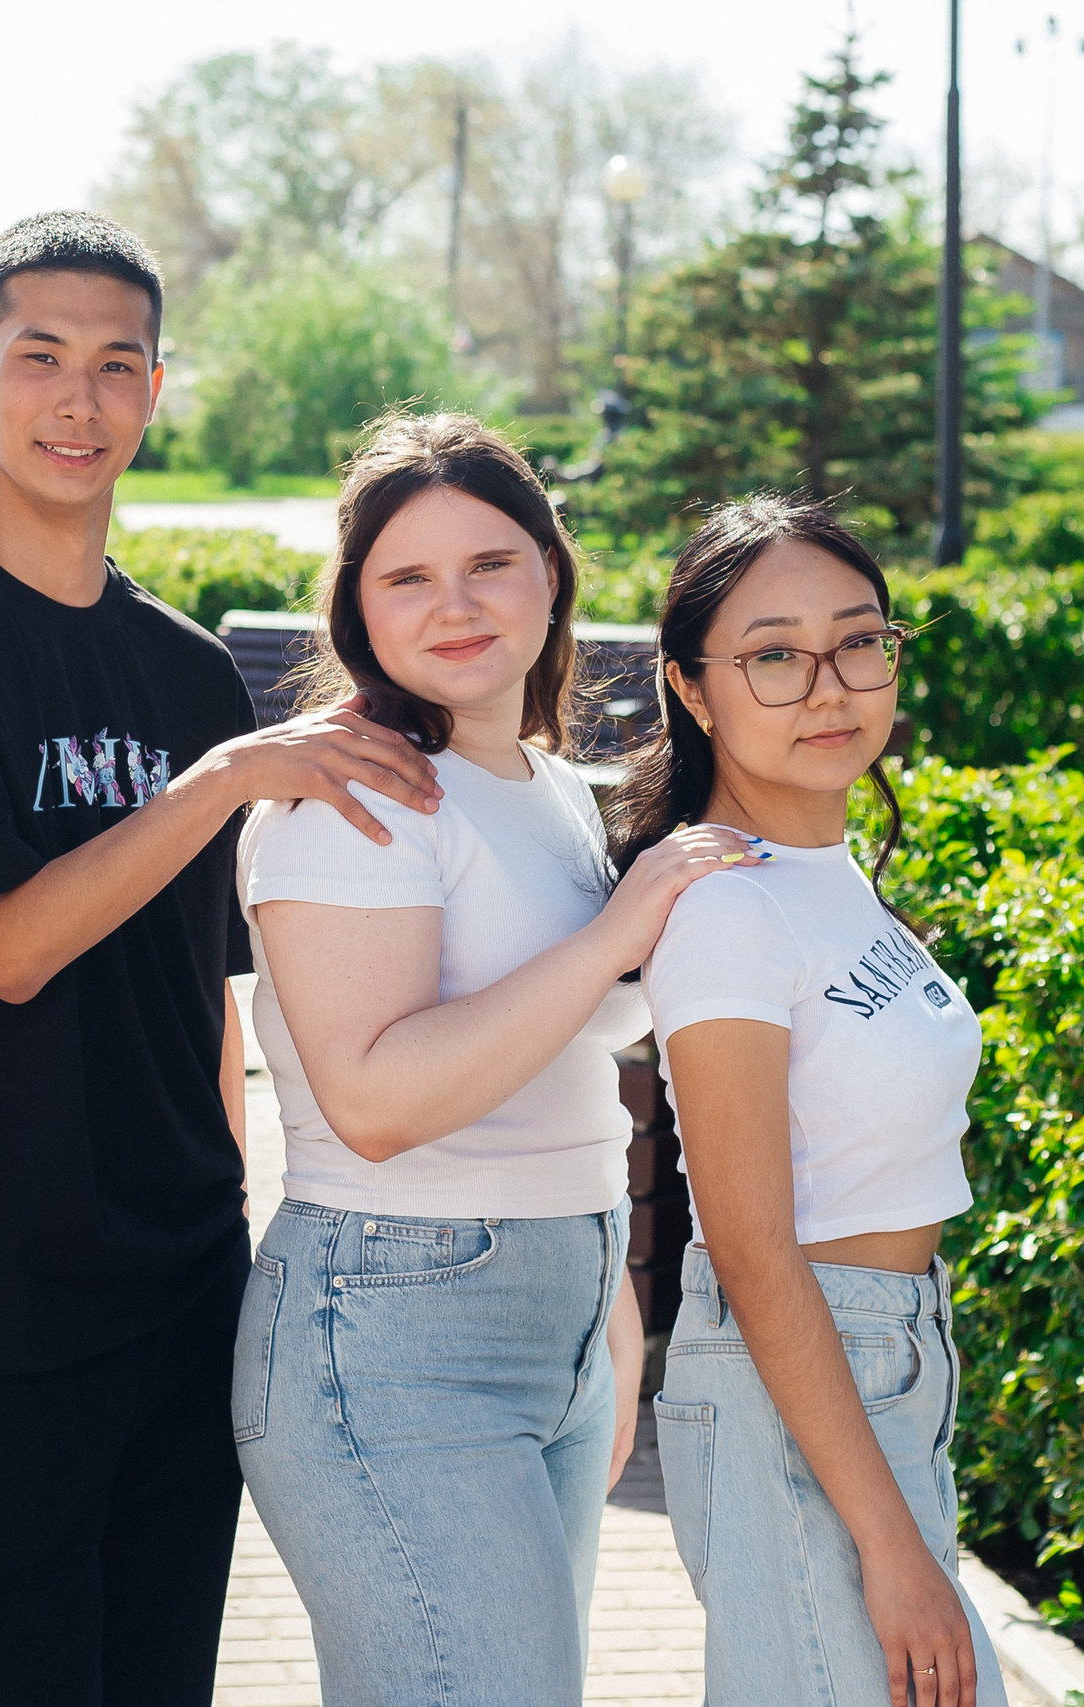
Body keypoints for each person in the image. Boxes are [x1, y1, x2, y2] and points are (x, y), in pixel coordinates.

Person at [0, 210, 442, 1707]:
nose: (78, 401)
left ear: (156, 390)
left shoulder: (189, 668)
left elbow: (200, 1007)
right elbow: (7, 949)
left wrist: (232, 1225)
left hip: (169, 1286)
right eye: (41, 358)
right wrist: (213, 781)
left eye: (117, 365)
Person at [230, 412, 753, 1707]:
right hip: (396, 1321)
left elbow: (565, 1074)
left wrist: (609, 1311)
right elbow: (373, 1100)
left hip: (559, 1310)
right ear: (357, 608)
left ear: (553, 569)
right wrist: (619, 935)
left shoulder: (546, 782)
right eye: (407, 575)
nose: (455, 604)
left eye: (491, 562)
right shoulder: (356, 792)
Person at [614, 496, 1007, 1707]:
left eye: (859, 641)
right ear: (692, 689)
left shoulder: (819, 872)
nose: (829, 687)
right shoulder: (729, 908)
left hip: (885, 1360)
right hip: (806, 1374)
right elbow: (749, 1249)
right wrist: (890, 1549)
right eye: (774, 655)